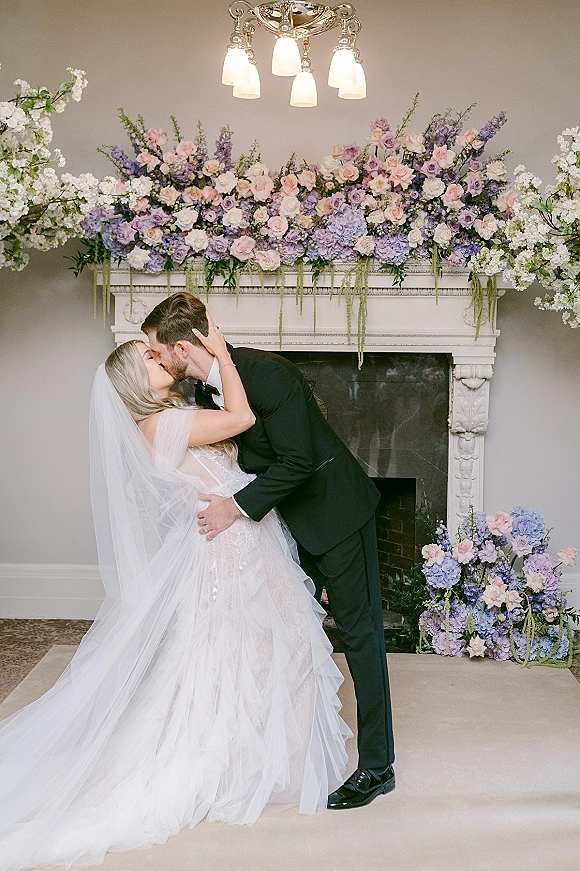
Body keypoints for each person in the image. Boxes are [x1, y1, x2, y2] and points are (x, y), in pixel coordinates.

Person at [0, 315, 349, 871]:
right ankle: (237, 762)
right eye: (147, 358)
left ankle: (266, 755)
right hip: (230, 550)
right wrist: (222, 353)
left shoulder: (168, 421)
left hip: (238, 539)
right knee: (239, 653)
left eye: (155, 351)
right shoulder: (162, 426)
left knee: (261, 650)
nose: (158, 358)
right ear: (134, 383)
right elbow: (241, 417)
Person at [142, 292, 396, 810]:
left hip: (335, 514)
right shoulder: (208, 394)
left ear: (184, 347)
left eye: (156, 349)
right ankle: (287, 751)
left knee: (359, 632)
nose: (156, 359)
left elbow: (299, 461)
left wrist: (233, 507)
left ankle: (377, 766)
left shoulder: (269, 374)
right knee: (290, 636)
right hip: (280, 528)